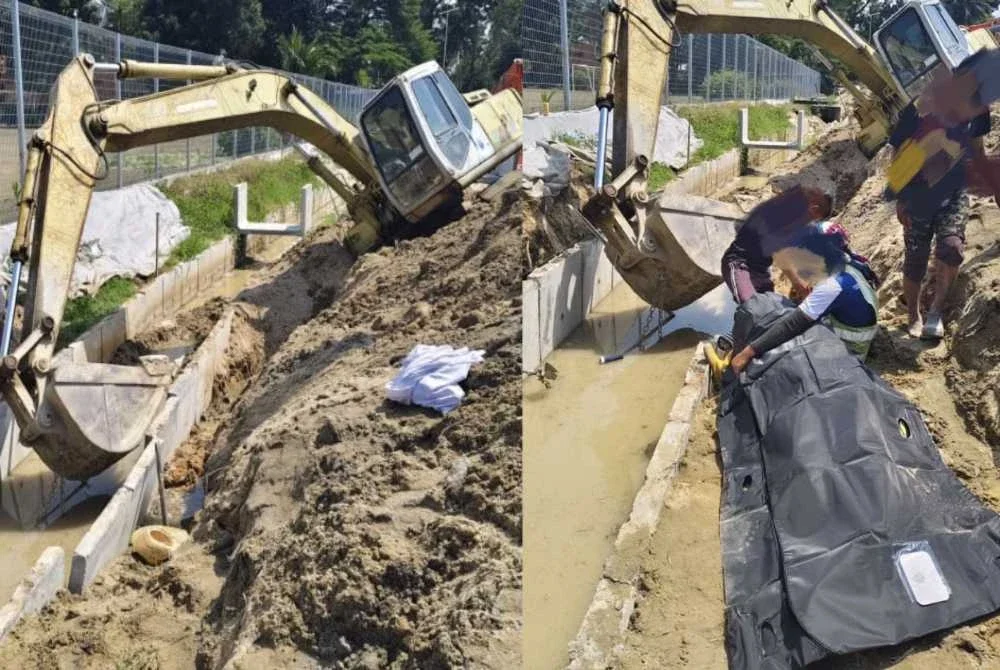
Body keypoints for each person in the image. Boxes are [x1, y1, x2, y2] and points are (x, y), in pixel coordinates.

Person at [888, 95, 993, 340]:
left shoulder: (978, 108)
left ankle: (936, 312)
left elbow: (978, 148)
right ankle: (913, 315)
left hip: (955, 192)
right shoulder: (915, 108)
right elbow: (898, 151)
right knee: (916, 256)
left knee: (952, 248)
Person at [730, 221, 880, 373]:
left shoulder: (834, 285)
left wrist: (748, 352)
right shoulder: (852, 265)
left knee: (782, 348)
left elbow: (792, 325)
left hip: (849, 352)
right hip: (858, 336)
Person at [721, 184, 833, 304]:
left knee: (770, 310)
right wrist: (797, 283)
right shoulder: (783, 212)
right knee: (752, 306)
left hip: (761, 271)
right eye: (813, 218)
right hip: (739, 263)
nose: (809, 222)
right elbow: (779, 252)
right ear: (813, 208)